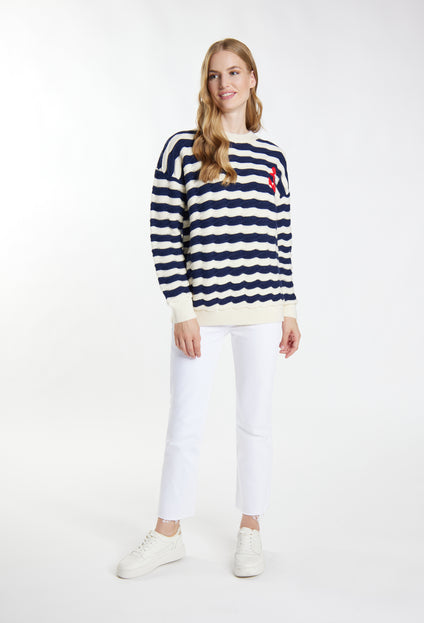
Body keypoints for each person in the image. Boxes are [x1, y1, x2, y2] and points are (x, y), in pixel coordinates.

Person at [116, 37, 301, 580]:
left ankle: (251, 527)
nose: (225, 83)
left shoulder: (273, 157)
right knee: (185, 424)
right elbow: (163, 232)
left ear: (252, 79)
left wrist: (289, 308)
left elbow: (280, 238)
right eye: (216, 75)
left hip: (263, 311)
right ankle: (168, 533)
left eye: (235, 72)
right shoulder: (183, 149)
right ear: (207, 83)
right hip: (202, 314)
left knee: (255, 423)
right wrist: (182, 310)